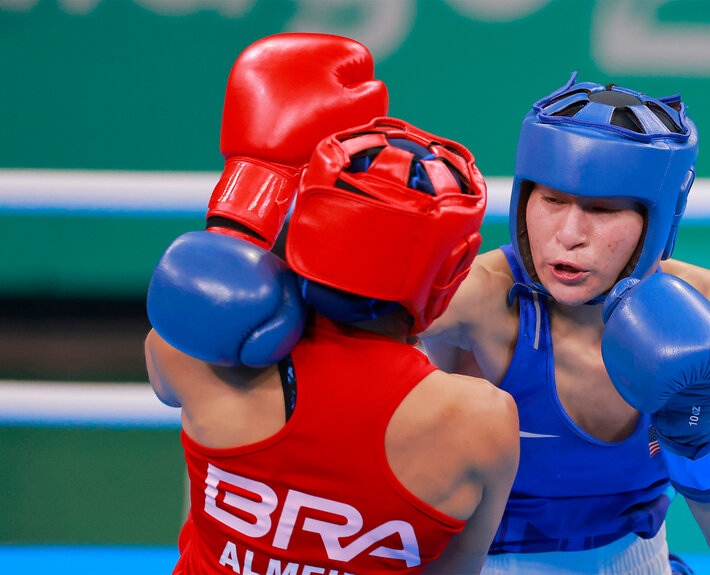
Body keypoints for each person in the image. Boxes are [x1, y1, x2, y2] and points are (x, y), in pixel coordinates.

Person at [145, 35, 519, 575]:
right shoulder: (480, 422)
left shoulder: (199, 364)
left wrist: (245, 206)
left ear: (304, 230)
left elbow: (164, 368)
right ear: (449, 270)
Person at [420, 73, 710, 575]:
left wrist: (698, 437)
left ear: (659, 220)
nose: (568, 235)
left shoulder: (709, 303)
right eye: (552, 200)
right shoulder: (480, 296)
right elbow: (329, 309)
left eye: (602, 210)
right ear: (522, 200)